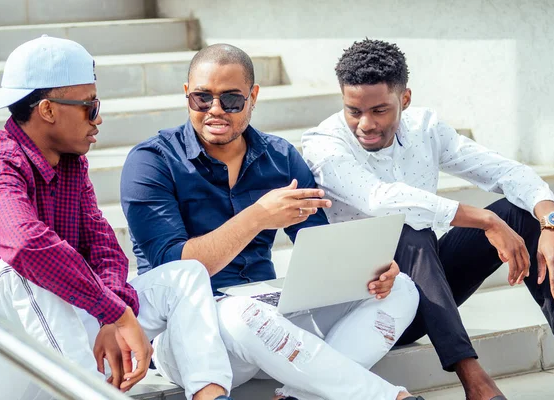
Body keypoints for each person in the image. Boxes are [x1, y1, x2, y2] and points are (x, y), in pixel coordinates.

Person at [120, 43, 424, 400]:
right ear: (187, 95)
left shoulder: (279, 157)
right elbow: (177, 270)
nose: (215, 110)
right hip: (190, 338)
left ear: (253, 97)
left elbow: (320, 248)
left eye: (231, 100)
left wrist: (366, 273)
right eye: (202, 99)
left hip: (270, 321)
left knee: (401, 288)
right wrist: (257, 217)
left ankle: (300, 395)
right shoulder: (152, 162)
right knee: (237, 313)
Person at [0, 36, 234, 400]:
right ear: (48, 110)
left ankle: (211, 396)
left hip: (56, 347)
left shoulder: (71, 163)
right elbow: (29, 246)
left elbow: (103, 245)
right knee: (22, 269)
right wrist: (113, 312)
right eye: (90, 106)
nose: (98, 117)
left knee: (186, 275)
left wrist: (111, 309)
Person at [302, 38, 554, 400]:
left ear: (404, 100)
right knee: (409, 228)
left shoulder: (425, 128)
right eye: (353, 111)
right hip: (366, 308)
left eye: (379, 110)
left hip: (426, 289)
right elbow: (381, 199)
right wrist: (483, 219)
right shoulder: (324, 144)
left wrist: (551, 221)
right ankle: (474, 379)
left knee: (520, 213)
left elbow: (505, 171)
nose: (365, 124)